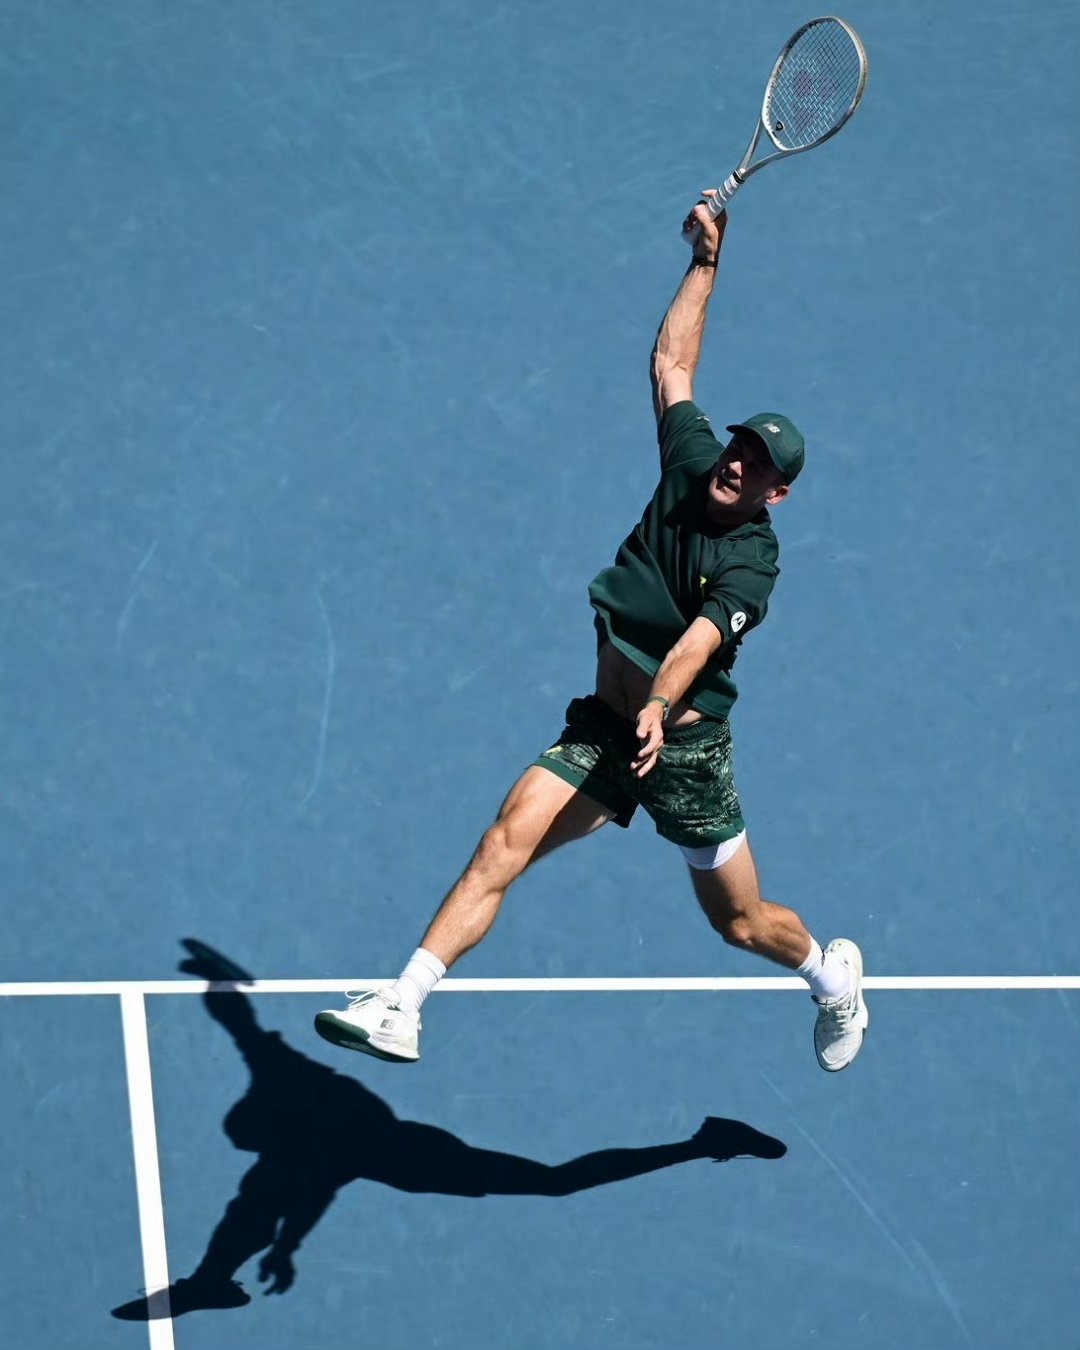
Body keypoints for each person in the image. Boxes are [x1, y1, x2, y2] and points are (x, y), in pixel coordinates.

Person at [315, 194, 868, 1073]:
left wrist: (658, 706)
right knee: (504, 842)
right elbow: (671, 362)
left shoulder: (753, 561)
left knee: (739, 923)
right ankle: (402, 1004)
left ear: (778, 493)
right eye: (739, 448)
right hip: (606, 727)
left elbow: (697, 644)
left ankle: (832, 979)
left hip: (681, 753)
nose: (737, 463)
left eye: (758, 466)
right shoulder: (692, 463)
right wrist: (705, 261)